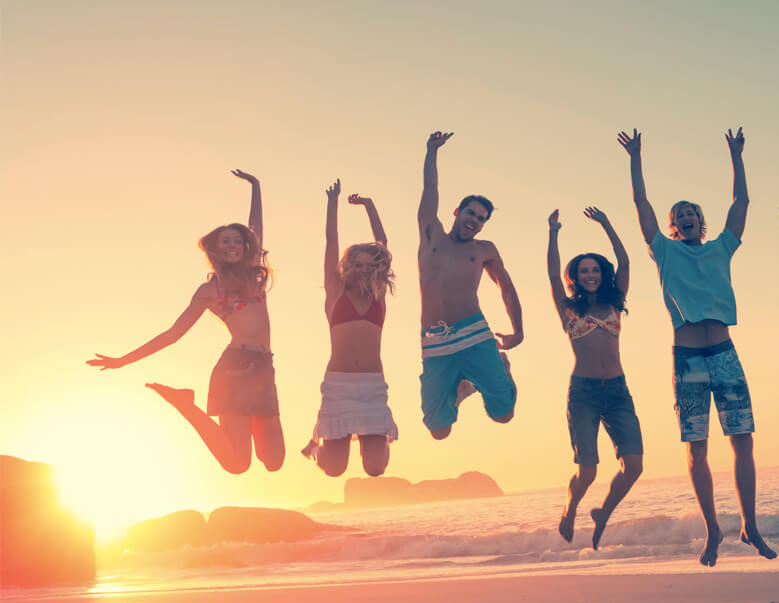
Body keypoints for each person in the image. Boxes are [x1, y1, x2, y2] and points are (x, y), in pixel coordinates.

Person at [617, 127, 775, 566]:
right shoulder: (663, 252)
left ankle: (750, 525)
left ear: (700, 222)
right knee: (696, 448)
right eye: (678, 214)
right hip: (687, 360)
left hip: (724, 354)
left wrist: (736, 155)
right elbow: (640, 205)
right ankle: (712, 530)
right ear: (672, 226)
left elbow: (741, 205)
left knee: (743, 441)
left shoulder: (722, 247)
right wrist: (636, 158)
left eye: (691, 213)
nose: (685, 217)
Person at [87, 170, 285, 473]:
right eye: (224, 242)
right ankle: (185, 405)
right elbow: (172, 334)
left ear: (244, 245)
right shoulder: (210, 291)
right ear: (216, 250)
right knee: (237, 464)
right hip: (235, 369)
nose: (232, 245)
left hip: (264, 369)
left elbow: (255, 227)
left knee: (274, 461)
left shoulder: (255, 272)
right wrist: (122, 361)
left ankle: (199, 407)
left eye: (236, 240)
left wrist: (256, 187)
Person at [548, 207, 644, 550]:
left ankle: (603, 512)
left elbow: (626, 262)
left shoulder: (615, 301)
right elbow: (551, 274)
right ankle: (570, 508)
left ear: (603, 273)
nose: (590, 274)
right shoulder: (569, 309)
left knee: (633, 465)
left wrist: (606, 223)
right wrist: (554, 233)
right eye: (583, 271)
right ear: (575, 276)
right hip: (584, 393)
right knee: (587, 470)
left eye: (594, 269)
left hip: (618, 391)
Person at [417, 131, 521, 439]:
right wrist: (432, 151)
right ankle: (463, 389)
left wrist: (518, 331)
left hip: (474, 333)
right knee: (439, 430)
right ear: (457, 212)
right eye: (471, 212)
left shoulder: (484, 250)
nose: (475, 220)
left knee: (503, 415)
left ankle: (502, 368)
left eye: (482, 218)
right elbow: (429, 190)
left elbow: (507, 288)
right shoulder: (431, 236)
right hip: (435, 339)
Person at [301, 180, 398, 477]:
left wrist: (368, 205)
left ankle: (380, 435)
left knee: (375, 468)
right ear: (347, 265)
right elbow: (331, 241)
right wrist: (333, 202)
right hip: (339, 385)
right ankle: (316, 447)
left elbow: (382, 243)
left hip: (372, 385)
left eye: (370, 265)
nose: (364, 269)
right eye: (357, 263)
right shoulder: (335, 293)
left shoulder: (379, 295)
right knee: (333, 468)